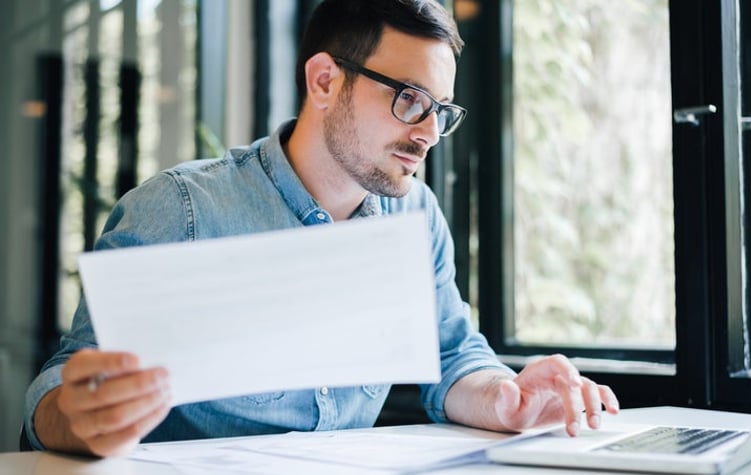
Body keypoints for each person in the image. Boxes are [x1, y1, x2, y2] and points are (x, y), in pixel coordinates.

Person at [24, 0, 618, 457]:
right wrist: (74, 415)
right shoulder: (181, 209)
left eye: (441, 110)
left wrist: (507, 398)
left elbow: (452, 355)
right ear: (326, 81)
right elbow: (62, 386)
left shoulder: (416, 216)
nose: (429, 133)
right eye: (411, 100)